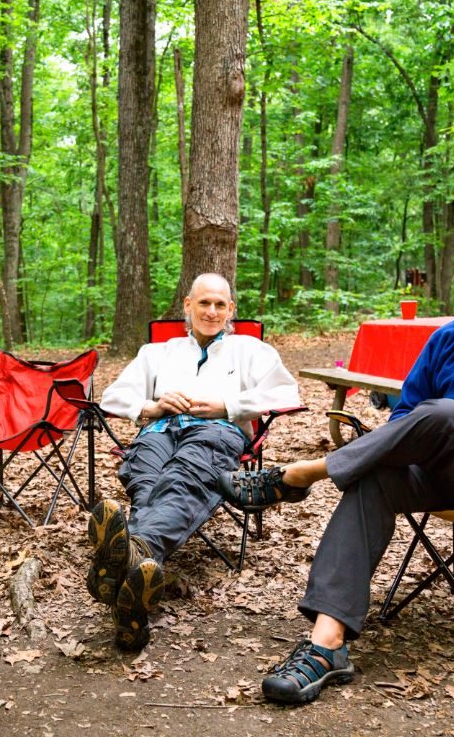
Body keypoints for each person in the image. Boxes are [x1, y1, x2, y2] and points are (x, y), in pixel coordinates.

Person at [215, 218, 454, 705]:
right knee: (376, 476)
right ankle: (326, 645)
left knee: (447, 414)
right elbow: (406, 413)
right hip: (449, 474)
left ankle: (303, 473)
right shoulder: (452, 336)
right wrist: (452, 428)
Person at [89, 273, 301, 650]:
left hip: (216, 432)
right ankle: (133, 582)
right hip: (158, 430)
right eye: (204, 303)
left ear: (231, 309)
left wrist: (228, 406)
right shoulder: (158, 352)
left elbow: (286, 391)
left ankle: (132, 556)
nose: (212, 311)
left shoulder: (250, 350)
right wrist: (150, 406)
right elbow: (113, 395)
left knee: (183, 477)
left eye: (221, 304)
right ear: (187, 306)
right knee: (147, 478)